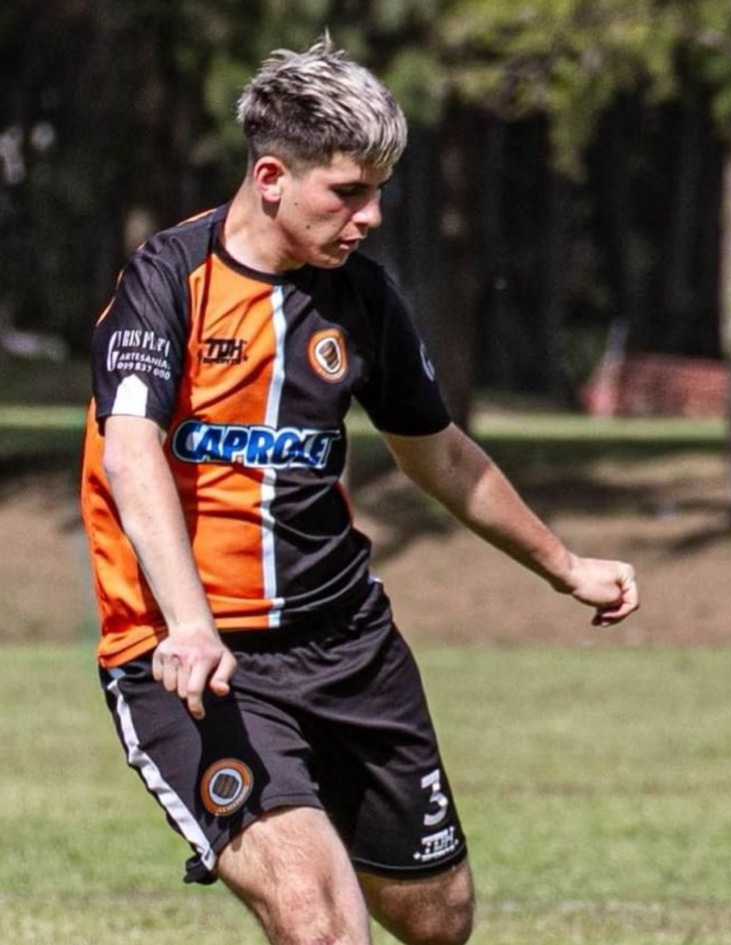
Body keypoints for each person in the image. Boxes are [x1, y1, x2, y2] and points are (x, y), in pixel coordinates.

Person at [80, 36, 639, 945]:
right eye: (348, 191)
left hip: (348, 646)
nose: (371, 215)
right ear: (271, 177)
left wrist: (564, 565)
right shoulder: (166, 282)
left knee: (436, 917)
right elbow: (132, 455)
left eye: (379, 191)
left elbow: (439, 455)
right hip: (191, 657)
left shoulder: (363, 299)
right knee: (320, 918)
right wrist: (189, 623)